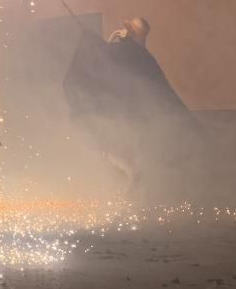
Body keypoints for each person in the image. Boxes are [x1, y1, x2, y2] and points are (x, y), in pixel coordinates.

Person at [63, 17, 201, 195]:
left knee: (133, 168)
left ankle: (132, 200)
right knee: (130, 167)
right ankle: (131, 197)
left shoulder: (130, 53)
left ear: (128, 32)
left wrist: (90, 41)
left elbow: (106, 63)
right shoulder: (136, 54)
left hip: (127, 123)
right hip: (127, 123)